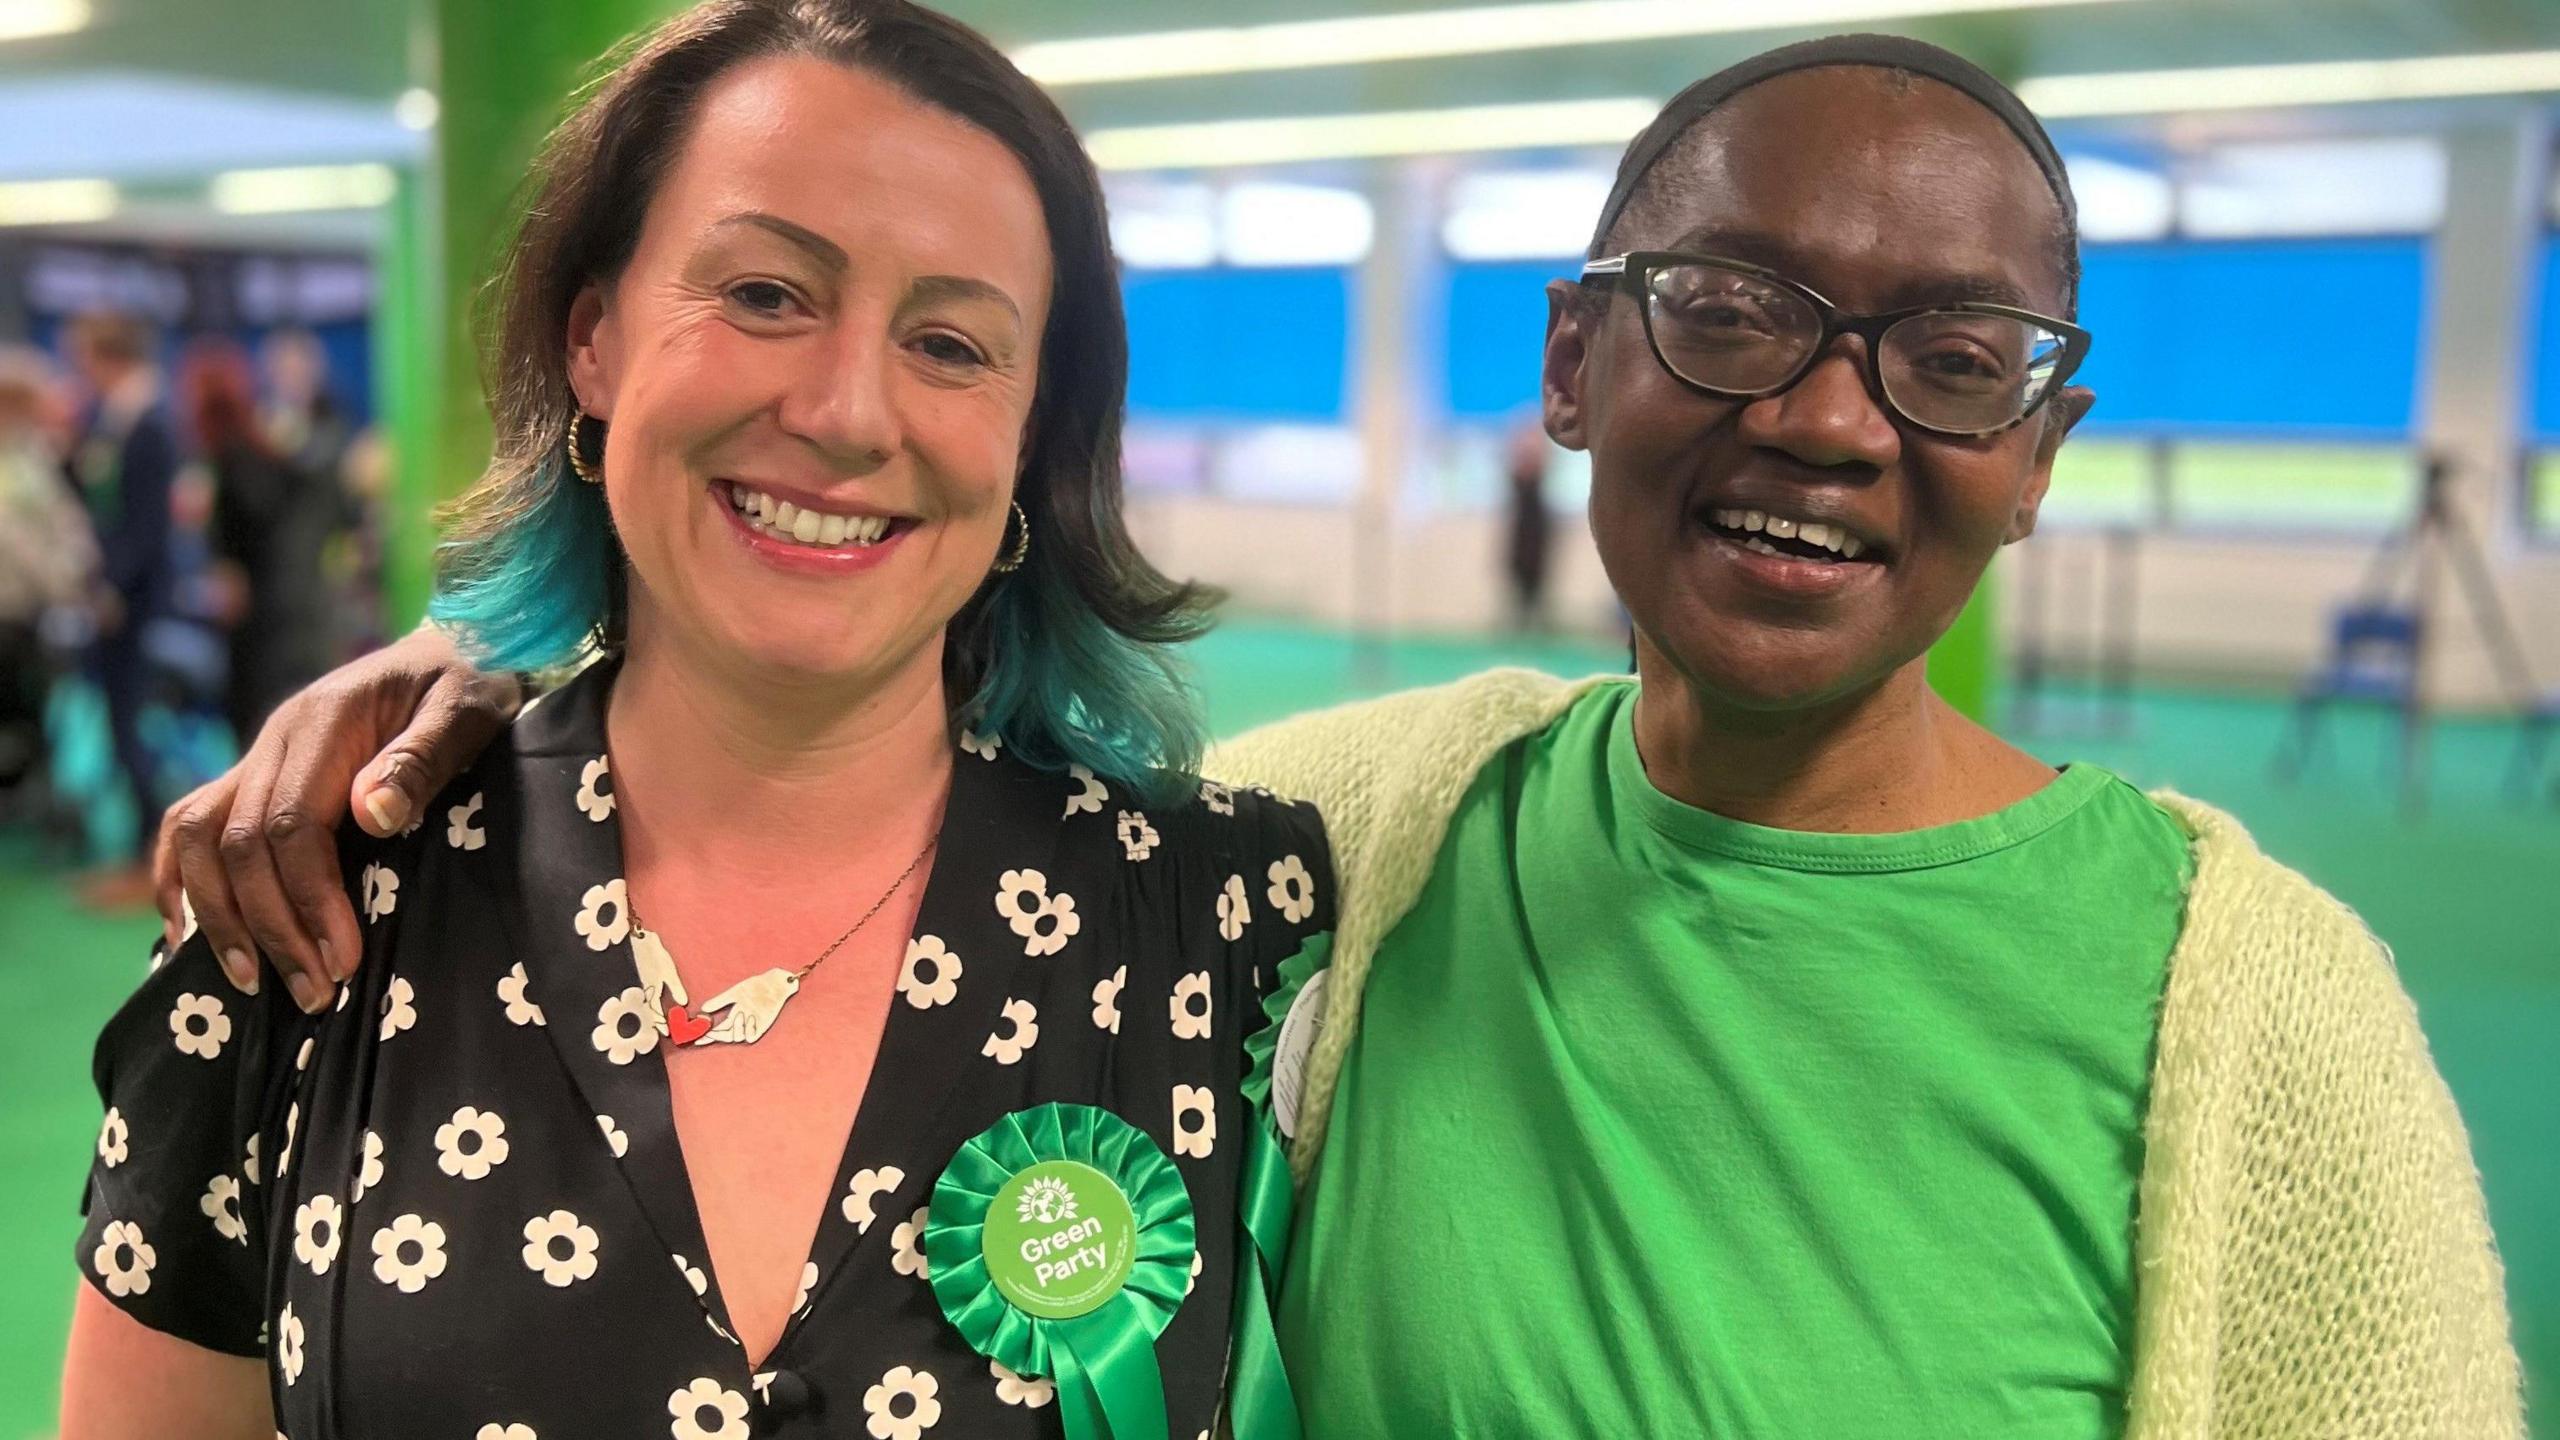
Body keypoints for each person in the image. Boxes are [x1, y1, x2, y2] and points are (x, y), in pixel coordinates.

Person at [149, 33, 2521, 1440]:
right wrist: (460, 679)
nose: (1823, 420)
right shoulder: (1361, 841)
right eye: (1727, 313)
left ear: (2039, 439)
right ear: (1571, 364)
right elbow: (832, 720)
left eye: (1952, 354)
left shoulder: (2262, 1014)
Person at [64, 3, 1330, 1436]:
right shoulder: (303, 913)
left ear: (1037, 436)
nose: (851, 410)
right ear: (594, 341)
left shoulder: (1238, 925)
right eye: (767, 295)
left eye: (952, 344)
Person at [63, 310, 180, 906]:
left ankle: (152, 856)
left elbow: (145, 527)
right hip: (113, 600)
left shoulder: (148, 422)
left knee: (134, 726)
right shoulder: (113, 419)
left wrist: (112, 588)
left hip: (132, 605)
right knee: (119, 725)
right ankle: (141, 850)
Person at [181, 339, 339, 743]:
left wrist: (227, 567)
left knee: (259, 724)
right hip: (286, 611)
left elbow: (242, 540)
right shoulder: (263, 451)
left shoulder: (234, 461)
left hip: (263, 623)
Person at [0, 346, 97, 793]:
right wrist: (66, 583)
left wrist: (77, 575)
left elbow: (68, 525)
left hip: (26, 618)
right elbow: (18, 540)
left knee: (33, 719)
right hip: (13, 611)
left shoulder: (31, 458)